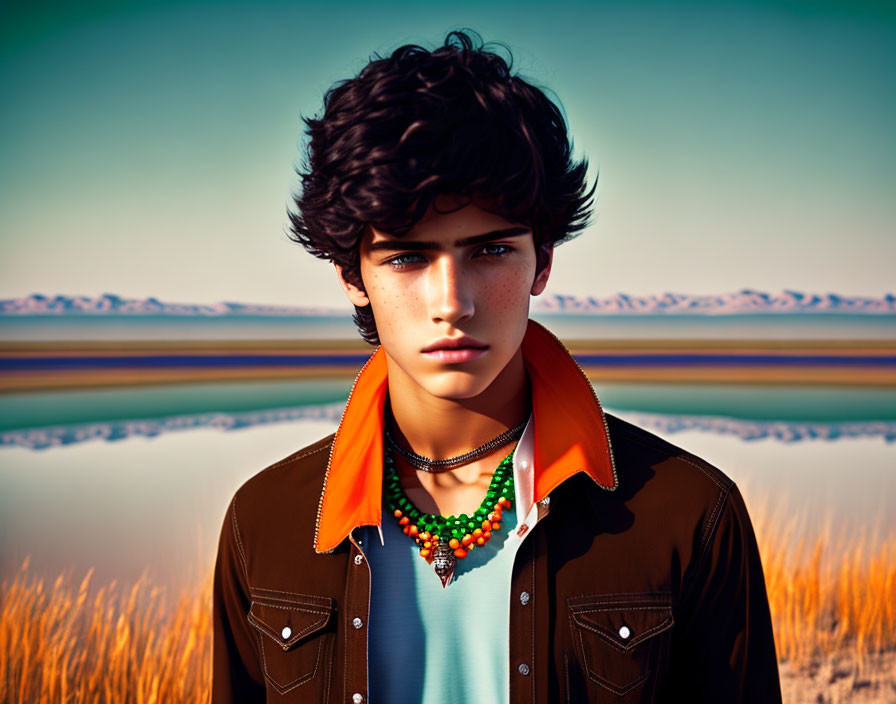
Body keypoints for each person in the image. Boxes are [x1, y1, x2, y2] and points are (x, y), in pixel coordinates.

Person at [211, 29, 782, 703]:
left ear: (543, 260)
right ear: (350, 274)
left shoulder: (687, 513)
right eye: (406, 256)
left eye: (489, 251)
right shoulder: (265, 522)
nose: (452, 302)